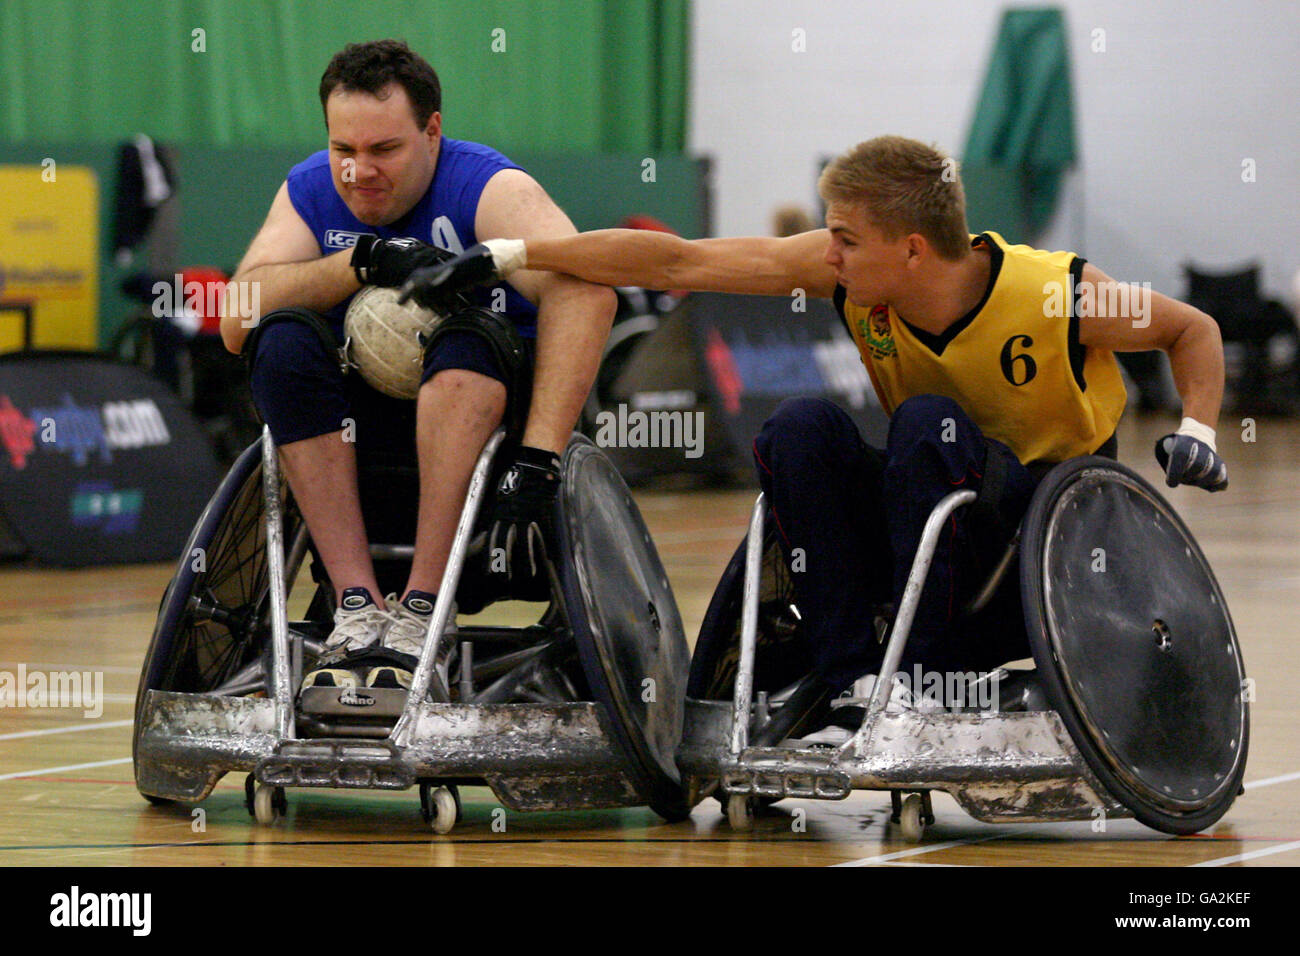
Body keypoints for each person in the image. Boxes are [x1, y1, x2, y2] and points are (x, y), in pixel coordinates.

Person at [402, 135, 1229, 731]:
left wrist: (1199, 428)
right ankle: (850, 681)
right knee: (802, 427)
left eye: (846, 238)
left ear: (911, 249)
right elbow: (677, 263)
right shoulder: (849, 275)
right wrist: (509, 256)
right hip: (927, 499)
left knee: (926, 420)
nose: (827, 253)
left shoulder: (1062, 292)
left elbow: (1192, 330)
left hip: (1039, 526)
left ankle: (921, 677)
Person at [218, 40, 615, 695]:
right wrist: (362, 262)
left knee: (464, 340)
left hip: (486, 413)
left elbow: (587, 293)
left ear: (432, 131)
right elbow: (236, 318)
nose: (358, 171)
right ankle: (355, 605)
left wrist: (541, 456)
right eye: (344, 150)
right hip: (363, 429)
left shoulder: (490, 187)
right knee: (281, 341)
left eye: (383, 150)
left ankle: (423, 608)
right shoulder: (311, 190)